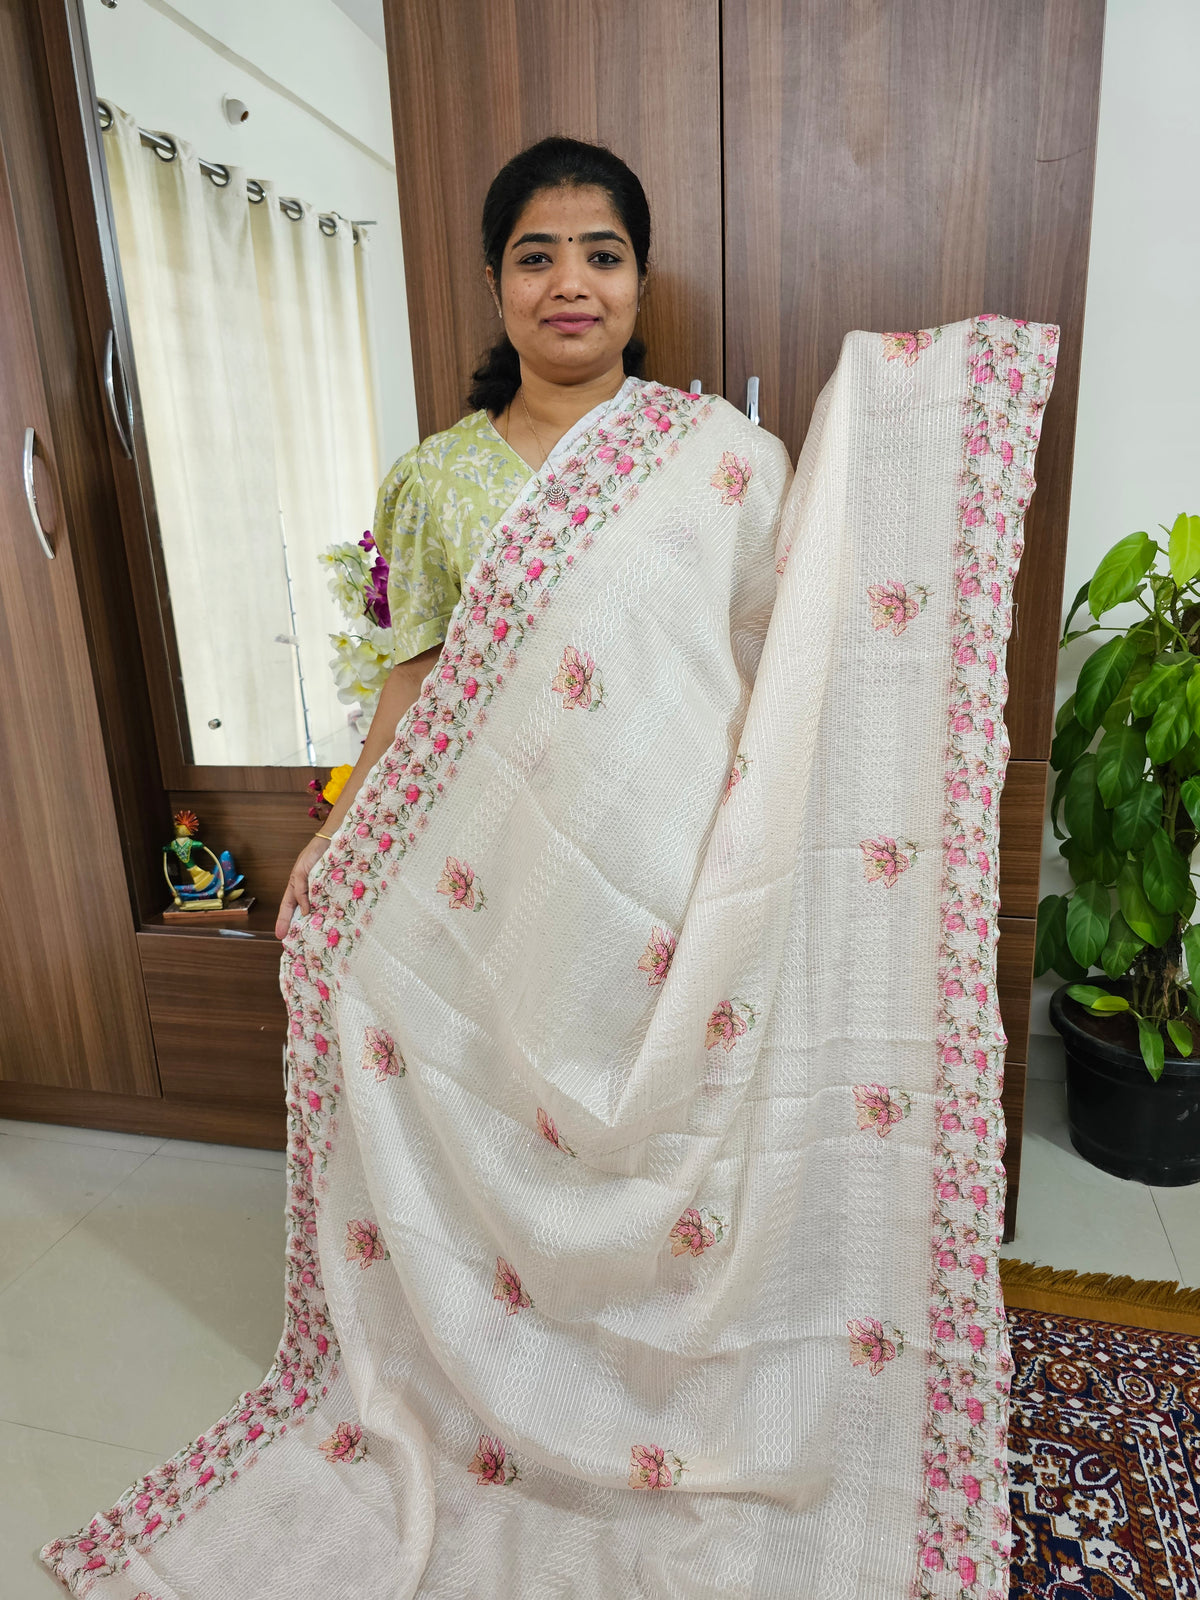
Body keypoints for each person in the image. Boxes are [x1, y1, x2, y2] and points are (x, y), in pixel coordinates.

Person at [275, 136, 656, 940]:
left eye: (603, 255)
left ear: (639, 280)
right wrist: (333, 832)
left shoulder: (719, 463)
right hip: (493, 857)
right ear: (496, 283)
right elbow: (417, 677)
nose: (570, 284)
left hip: (663, 849)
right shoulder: (436, 480)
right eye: (536, 259)